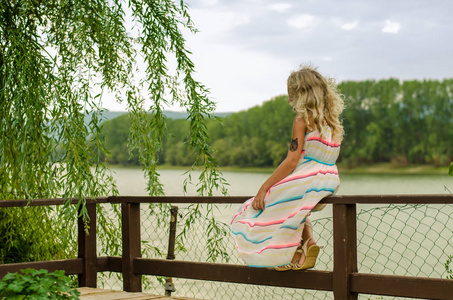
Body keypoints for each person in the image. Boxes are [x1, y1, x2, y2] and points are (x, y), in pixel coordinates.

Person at [230, 64, 344, 270]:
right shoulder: (331, 121)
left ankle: (281, 255)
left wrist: (264, 187)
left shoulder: (302, 120)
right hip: (329, 178)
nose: (289, 100)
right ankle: (307, 244)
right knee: (296, 207)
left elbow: (292, 160)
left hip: (309, 177)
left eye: (291, 95)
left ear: (302, 94)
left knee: (258, 206)